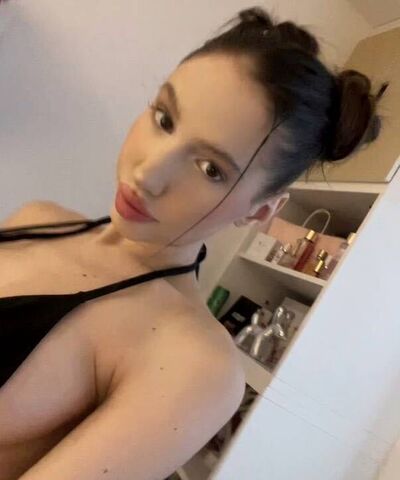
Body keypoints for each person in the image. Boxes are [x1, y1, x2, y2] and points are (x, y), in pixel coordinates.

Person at [0, 6, 384, 480]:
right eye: (164, 118)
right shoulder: (38, 217)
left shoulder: (192, 363)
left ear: (259, 211)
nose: (148, 173)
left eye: (210, 169)